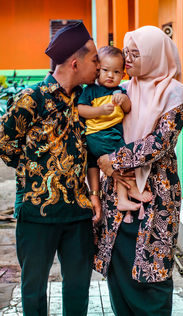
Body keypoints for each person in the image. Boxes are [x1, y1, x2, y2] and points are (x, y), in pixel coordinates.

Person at [0, 21, 101, 316]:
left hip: (77, 211)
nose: (99, 65)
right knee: (33, 288)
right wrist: (36, 169)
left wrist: (93, 193)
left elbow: (91, 151)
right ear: (74, 62)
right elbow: (6, 143)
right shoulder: (31, 99)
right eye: (95, 59)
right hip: (36, 213)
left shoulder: (84, 100)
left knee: (78, 286)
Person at [94, 26, 183, 315]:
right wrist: (105, 162)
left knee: (152, 266)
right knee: (120, 260)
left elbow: (160, 142)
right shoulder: (123, 89)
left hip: (156, 193)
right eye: (127, 53)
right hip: (118, 190)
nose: (127, 60)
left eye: (135, 54)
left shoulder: (176, 94)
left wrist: (114, 160)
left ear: (153, 55)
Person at [78, 46, 152, 223]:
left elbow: (127, 109)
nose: (110, 75)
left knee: (122, 162)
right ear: (97, 71)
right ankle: (132, 189)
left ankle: (123, 200)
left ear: (123, 74)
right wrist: (99, 111)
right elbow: (81, 109)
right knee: (125, 157)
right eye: (105, 70)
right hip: (98, 135)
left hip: (112, 136)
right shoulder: (91, 90)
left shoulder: (120, 91)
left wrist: (124, 100)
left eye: (116, 71)